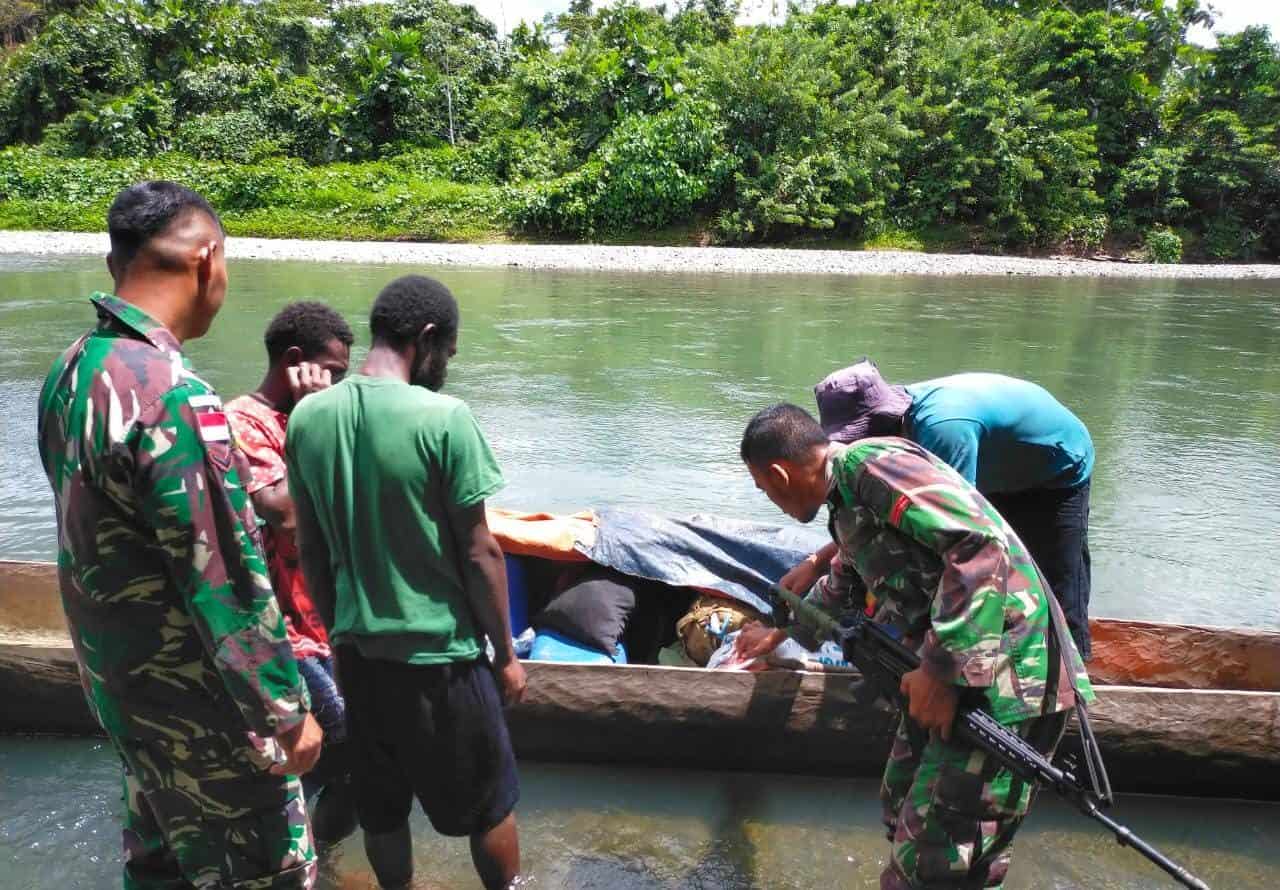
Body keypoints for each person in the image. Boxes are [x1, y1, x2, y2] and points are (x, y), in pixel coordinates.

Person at [36, 181, 321, 889]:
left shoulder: (72, 370)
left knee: (161, 868)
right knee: (268, 874)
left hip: (125, 694)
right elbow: (222, 570)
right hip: (204, 711)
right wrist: (284, 712)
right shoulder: (175, 396)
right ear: (207, 259)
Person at [737, 403, 1093, 889]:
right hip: (963, 681)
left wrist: (942, 672)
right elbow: (840, 586)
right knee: (903, 802)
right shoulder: (846, 502)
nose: (769, 499)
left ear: (778, 473)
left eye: (762, 488)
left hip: (1009, 680)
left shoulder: (869, 465)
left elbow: (976, 544)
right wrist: (778, 634)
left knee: (932, 854)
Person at [285, 274, 527, 890]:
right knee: (490, 805)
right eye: (447, 350)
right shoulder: (446, 418)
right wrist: (504, 656)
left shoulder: (309, 417)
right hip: (442, 658)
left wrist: (338, 638)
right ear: (426, 338)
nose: (446, 364)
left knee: (382, 809)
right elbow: (480, 553)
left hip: (359, 659)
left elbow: (311, 549)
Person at [783, 359, 1096, 658]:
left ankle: (1073, 683)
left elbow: (962, 536)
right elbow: (866, 529)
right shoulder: (891, 431)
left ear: (883, 422)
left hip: (1055, 471)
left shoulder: (942, 433)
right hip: (992, 463)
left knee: (1053, 589)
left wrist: (935, 663)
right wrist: (816, 563)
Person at [225, 301, 357, 844]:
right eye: (335, 373)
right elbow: (284, 514)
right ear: (298, 362)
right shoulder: (242, 422)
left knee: (362, 757)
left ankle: (317, 855)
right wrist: (311, 422)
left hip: (331, 619)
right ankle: (269, 834)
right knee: (340, 730)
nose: (339, 386)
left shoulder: (324, 417)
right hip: (279, 629)